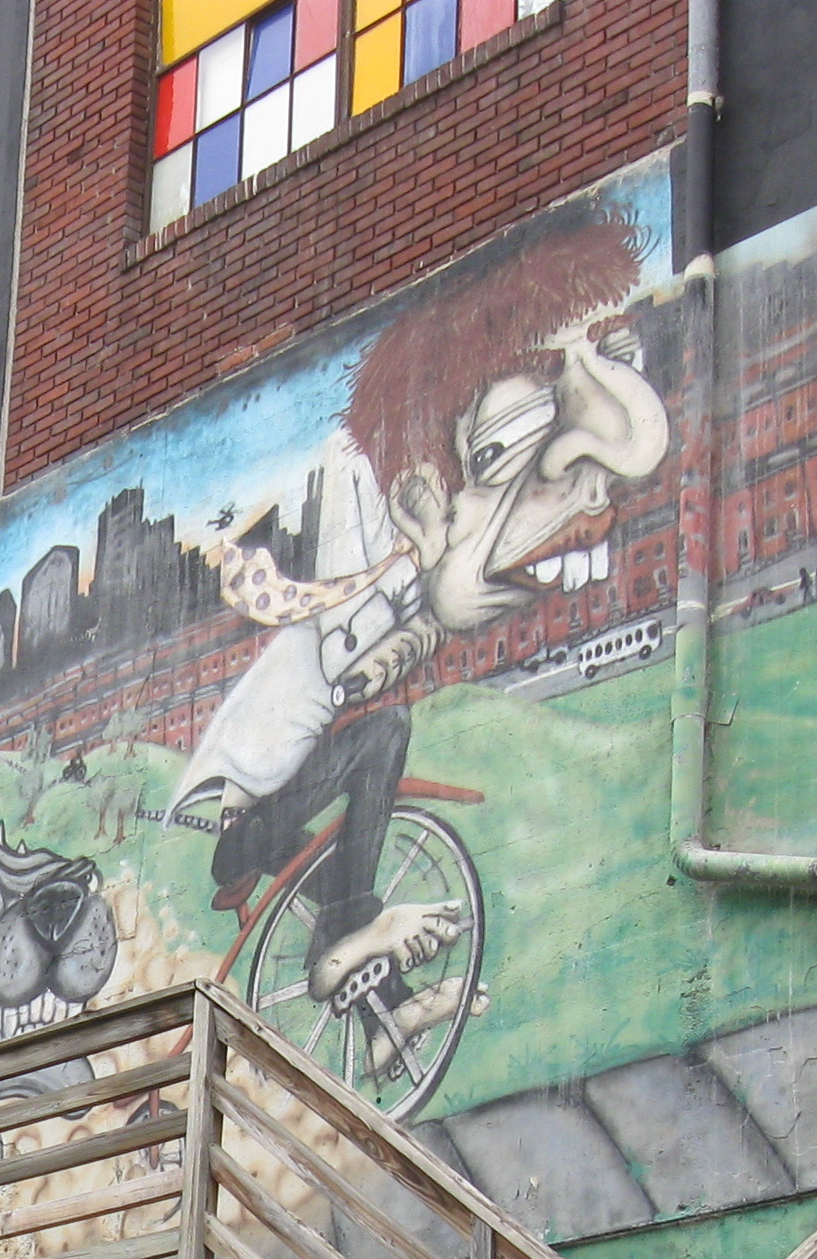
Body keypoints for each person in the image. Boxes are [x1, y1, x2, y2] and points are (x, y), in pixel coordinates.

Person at [169, 209, 672, 1033]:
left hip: (277, 810)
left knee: (356, 829)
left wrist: (421, 630)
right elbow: (358, 666)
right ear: (420, 505)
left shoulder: (391, 590)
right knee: (385, 735)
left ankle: (388, 1016)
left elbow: (405, 637)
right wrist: (416, 619)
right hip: (245, 823)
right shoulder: (362, 589)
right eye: (509, 448)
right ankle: (349, 933)